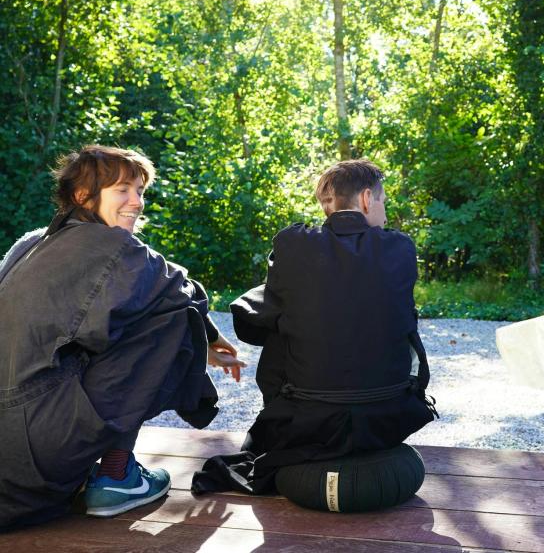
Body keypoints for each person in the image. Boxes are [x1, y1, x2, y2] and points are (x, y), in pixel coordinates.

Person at [0, 145, 246, 529]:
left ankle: (114, 467)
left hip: (10, 455)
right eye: (122, 190)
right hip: (37, 455)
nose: (137, 202)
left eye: (140, 191)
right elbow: (183, 293)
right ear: (83, 196)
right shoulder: (113, 246)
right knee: (171, 317)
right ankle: (117, 475)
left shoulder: (30, 244)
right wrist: (210, 340)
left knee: (134, 310)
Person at [192, 159, 437, 495]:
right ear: (367, 199)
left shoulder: (294, 244)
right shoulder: (401, 248)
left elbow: (259, 321)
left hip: (308, 419)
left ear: (327, 204)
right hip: (389, 414)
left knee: (281, 323)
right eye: (382, 202)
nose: (383, 212)